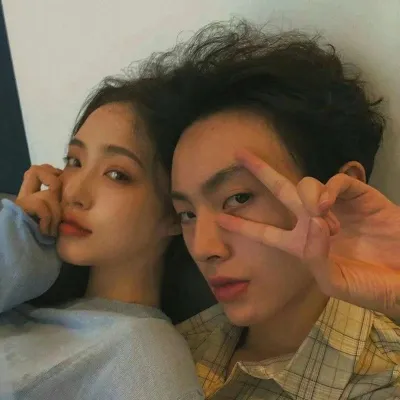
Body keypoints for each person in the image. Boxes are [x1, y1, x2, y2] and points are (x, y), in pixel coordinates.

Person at [133, 20, 400, 399]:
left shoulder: (385, 382)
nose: (205, 248)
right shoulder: (169, 350)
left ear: (338, 198)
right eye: (187, 214)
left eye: (238, 198)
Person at [0, 76, 204, 399]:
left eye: (116, 174)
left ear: (174, 212)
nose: (75, 193)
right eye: (74, 161)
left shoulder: (145, 357)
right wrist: (17, 235)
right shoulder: (34, 290)